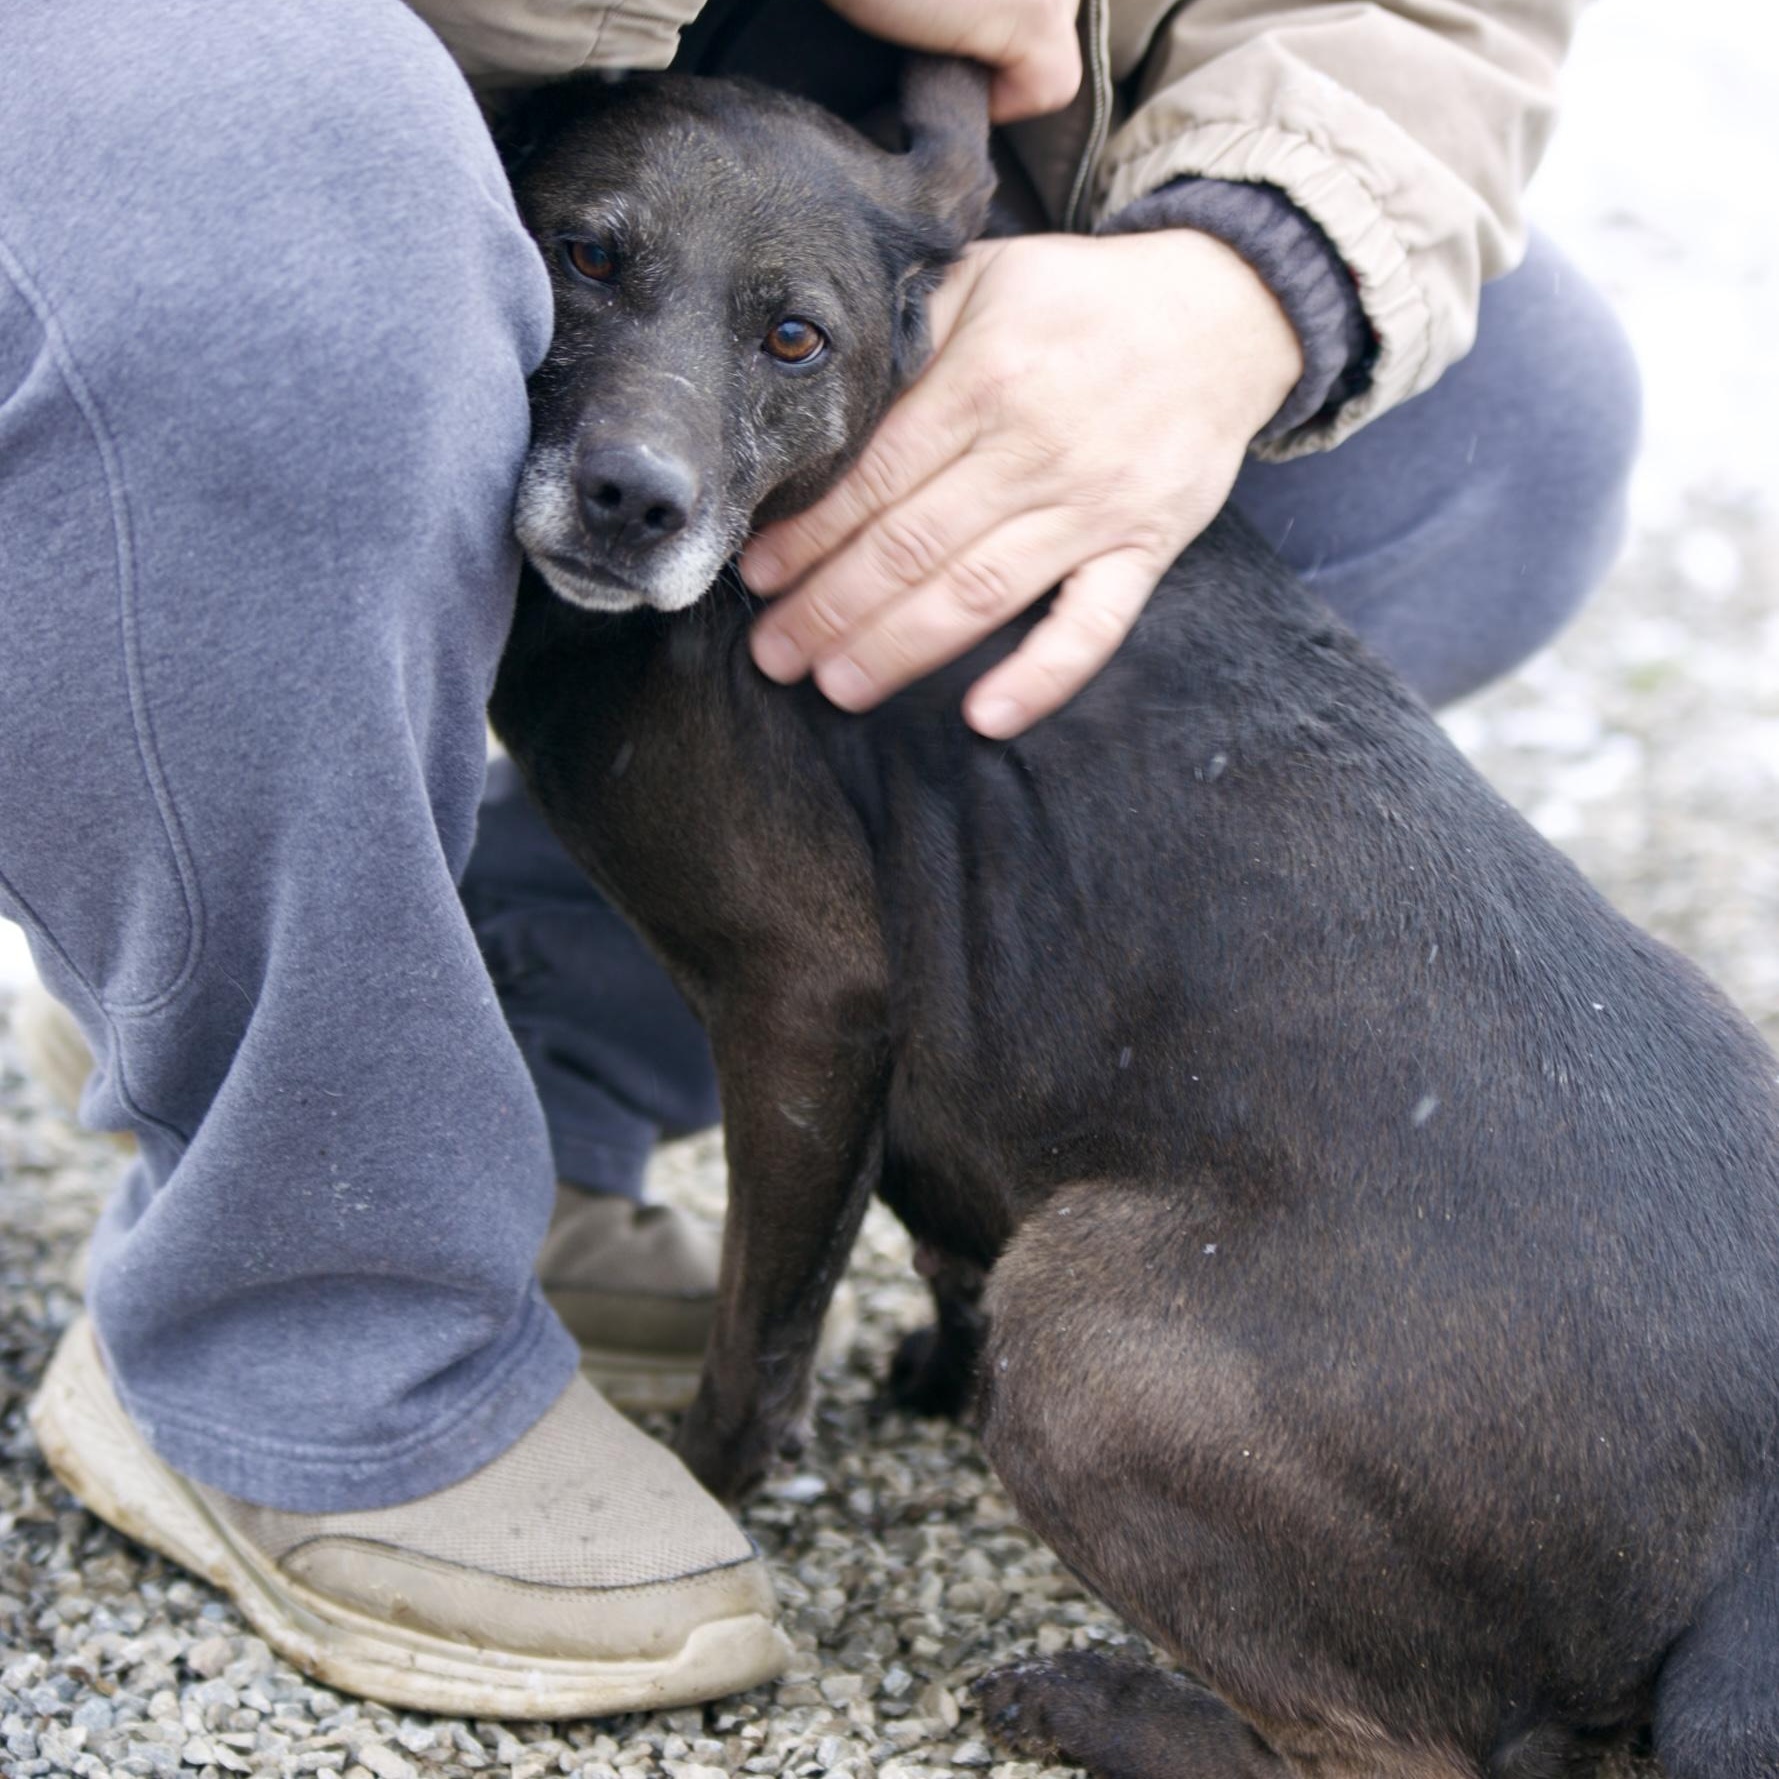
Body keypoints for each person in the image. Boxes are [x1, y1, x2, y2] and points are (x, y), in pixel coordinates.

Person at [4, 0, 1638, 1715]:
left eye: (789, 344)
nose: (649, 464)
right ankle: (284, 1300)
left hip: (863, 166)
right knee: (263, 181)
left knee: (1504, 429)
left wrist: (1243, 274)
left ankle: (493, 1031)